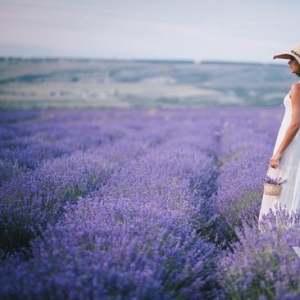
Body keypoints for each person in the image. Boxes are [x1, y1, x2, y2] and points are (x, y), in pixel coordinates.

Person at [259, 43, 300, 223]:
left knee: (284, 184)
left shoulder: (297, 88)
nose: (289, 63)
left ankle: (282, 234)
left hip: (292, 143)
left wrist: (278, 152)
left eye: (292, 59)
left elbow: (295, 123)